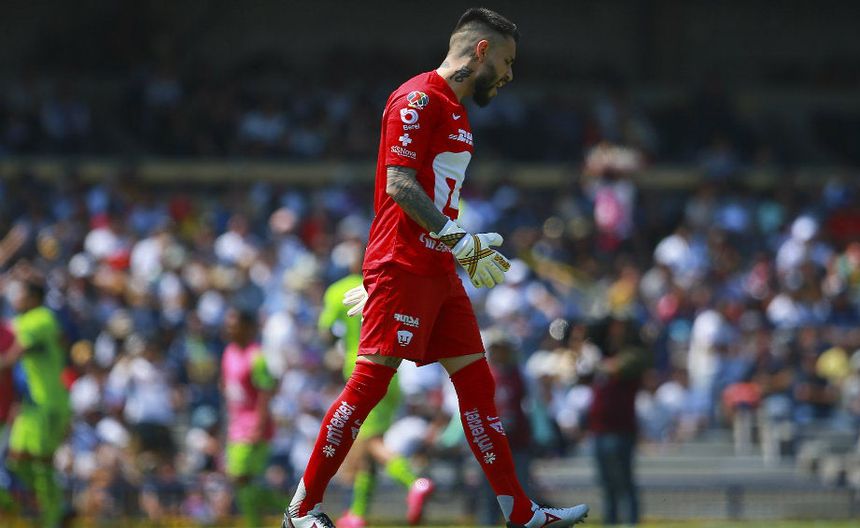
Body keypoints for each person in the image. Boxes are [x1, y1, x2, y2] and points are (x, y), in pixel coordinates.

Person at [283, 7, 588, 528]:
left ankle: (521, 514)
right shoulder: (418, 98)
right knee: (368, 387)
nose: (510, 75)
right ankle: (301, 511)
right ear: (482, 51)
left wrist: (453, 246)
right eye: (507, 62)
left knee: (478, 387)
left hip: (438, 269)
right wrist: (449, 244)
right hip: (403, 264)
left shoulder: (456, 111)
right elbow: (399, 185)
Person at [318, 248, 434, 528]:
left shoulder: (338, 290)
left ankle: (414, 482)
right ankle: (357, 514)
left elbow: (325, 333)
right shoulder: (388, 284)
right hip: (392, 371)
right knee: (366, 447)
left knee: (371, 443)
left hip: (363, 372)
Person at [3, 279, 72, 527]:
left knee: (42, 462)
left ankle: (54, 516)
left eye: (19, 293)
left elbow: (12, 357)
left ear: (33, 297)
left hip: (48, 404)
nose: (14, 298)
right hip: (30, 406)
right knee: (16, 460)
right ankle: (48, 505)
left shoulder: (41, 317)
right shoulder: (24, 320)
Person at [584, 316, 649, 526]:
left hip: (620, 430)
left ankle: (630, 521)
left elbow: (615, 368)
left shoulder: (634, 355)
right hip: (598, 430)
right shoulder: (604, 355)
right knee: (606, 483)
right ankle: (610, 521)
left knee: (623, 481)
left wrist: (593, 360)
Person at [222, 307, 279, 527]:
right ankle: (290, 509)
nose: (229, 330)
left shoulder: (257, 356)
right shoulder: (228, 353)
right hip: (236, 427)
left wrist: (258, 426)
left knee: (241, 478)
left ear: (246, 328)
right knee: (242, 483)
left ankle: (293, 508)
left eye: (234, 326)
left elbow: (266, 392)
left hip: (254, 427)